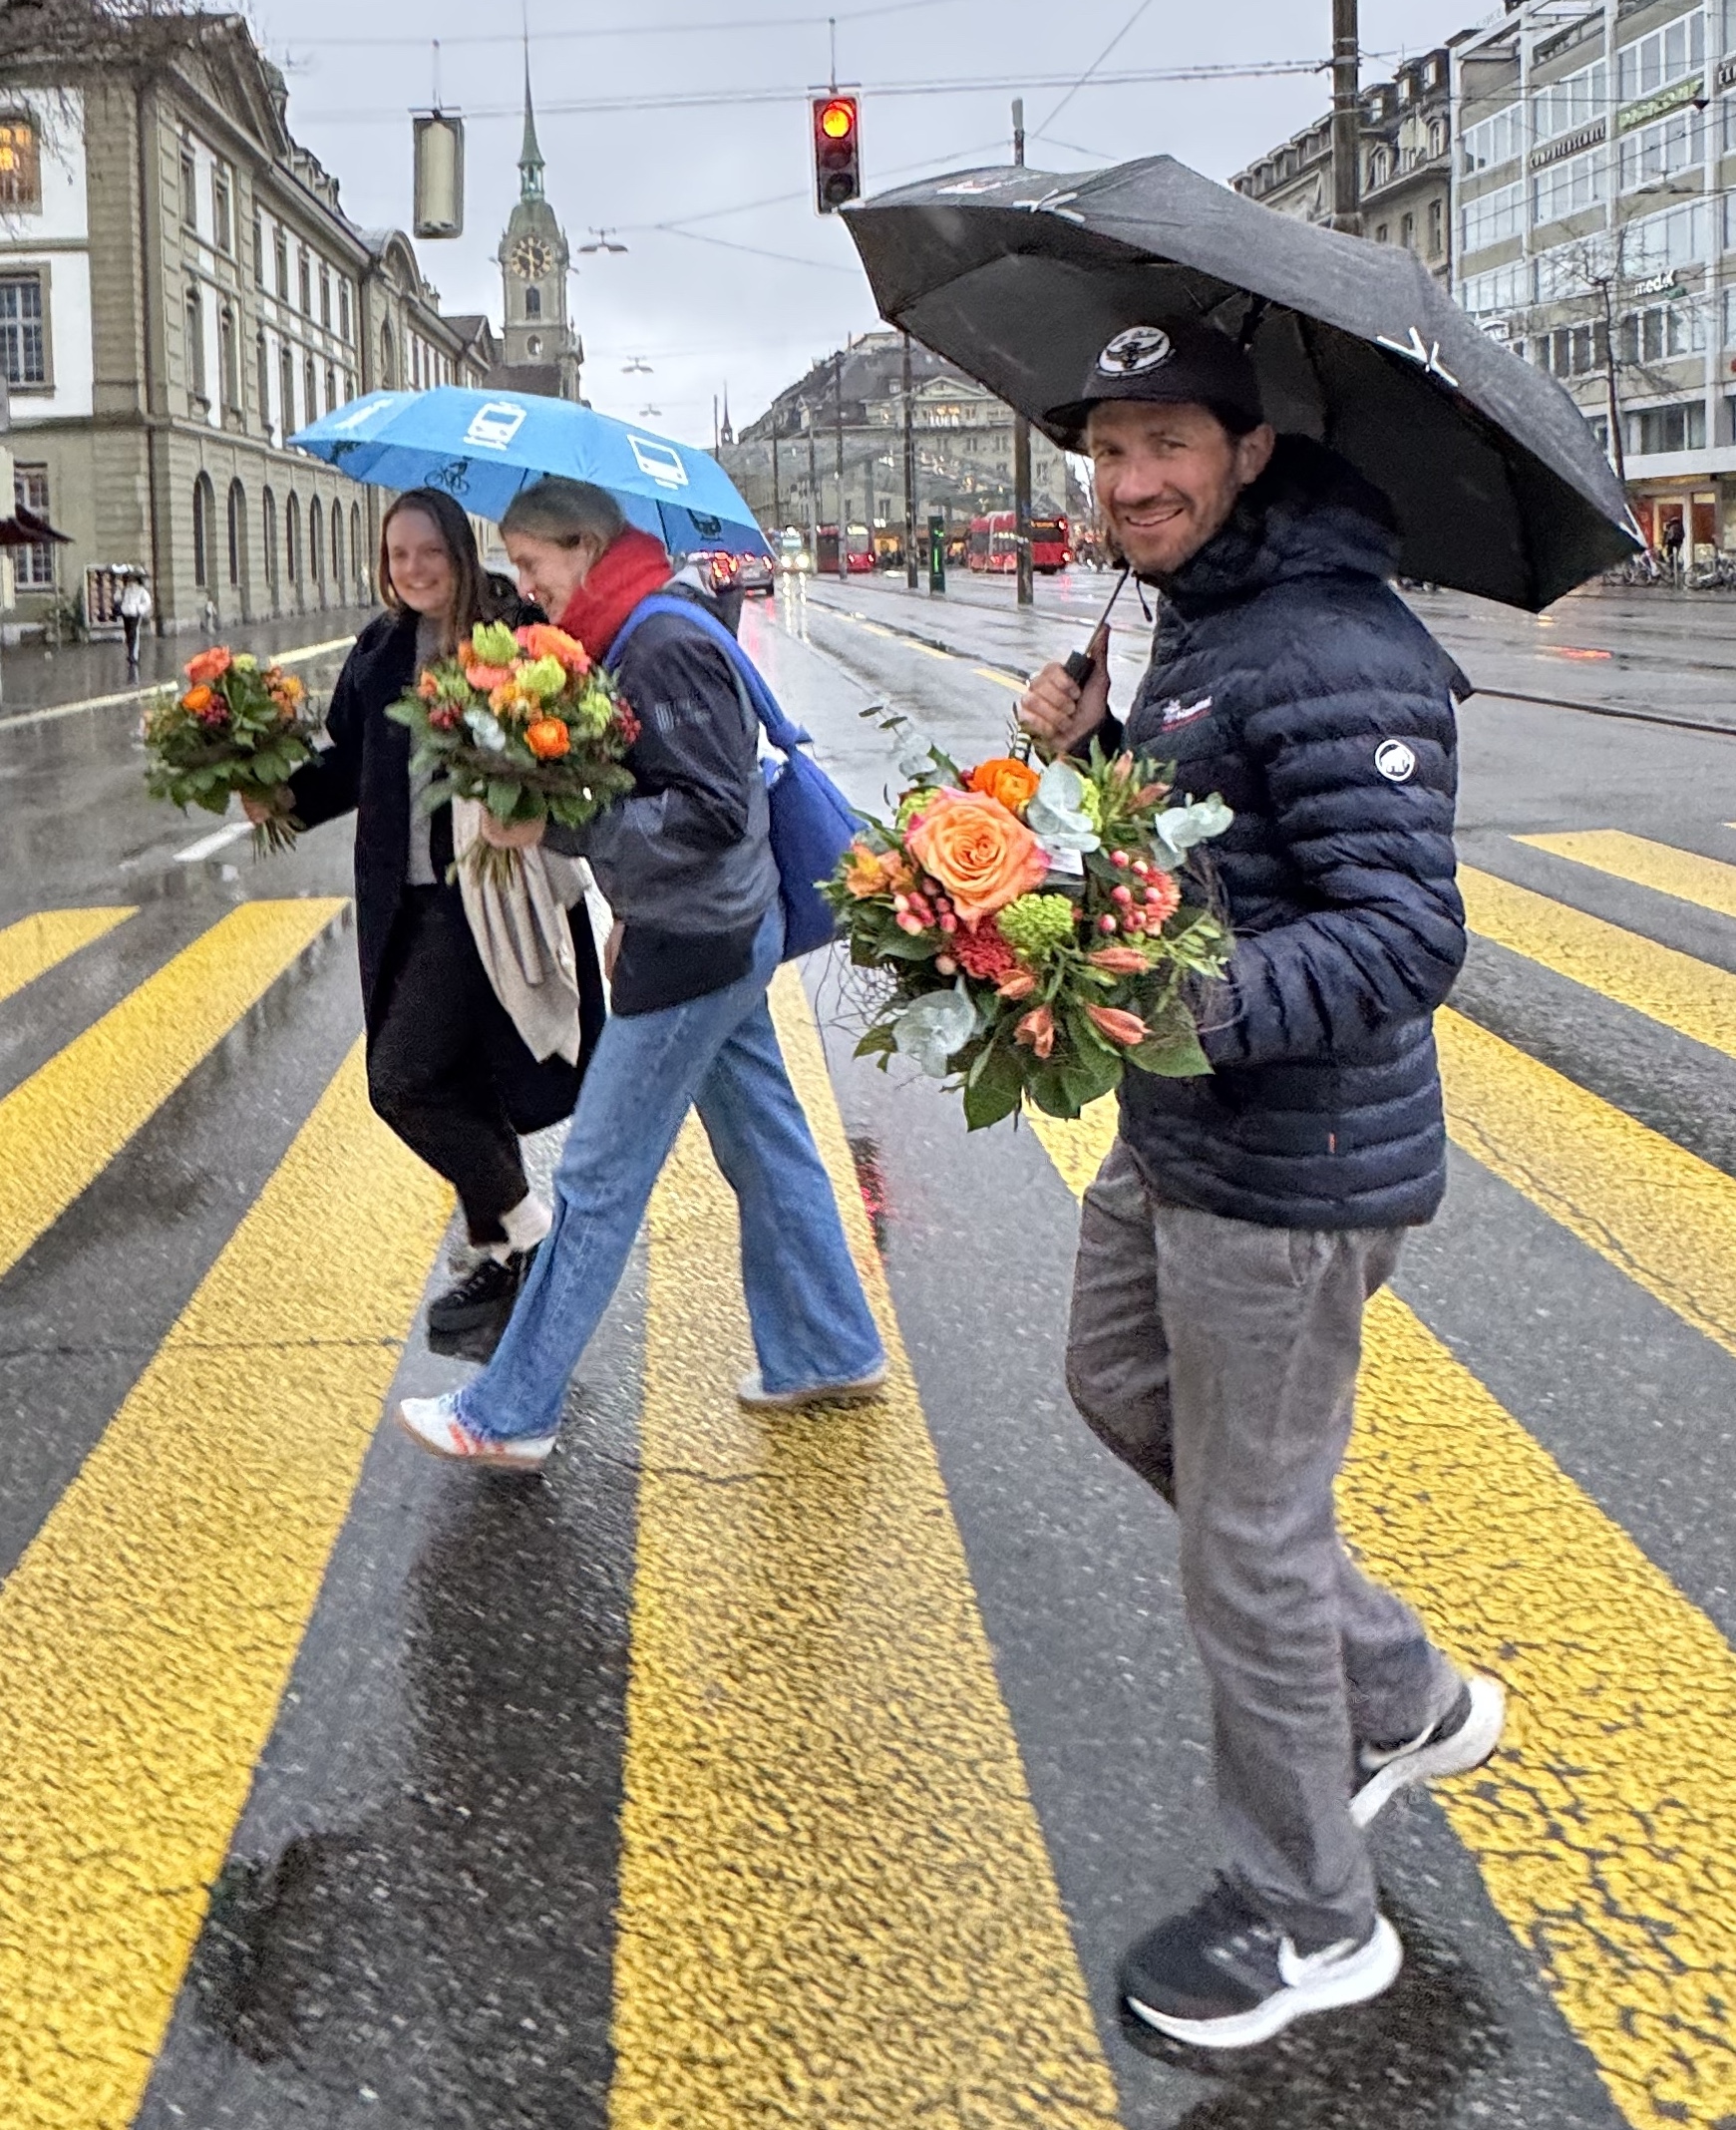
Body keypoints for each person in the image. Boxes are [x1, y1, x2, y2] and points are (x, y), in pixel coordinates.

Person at [1018, 319, 1505, 2049]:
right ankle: (1402, 1693)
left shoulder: (1330, 644)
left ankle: (1313, 1920)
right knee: (1114, 1384)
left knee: (1247, 1538)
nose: (1130, 480)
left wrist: (1182, 1012)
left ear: (1247, 453)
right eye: (1107, 448)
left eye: (1165, 444)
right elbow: (1201, 866)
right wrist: (1084, 761)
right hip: (1191, 1137)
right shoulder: (1206, 627)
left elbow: (1400, 931)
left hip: (1291, 1169)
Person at [395, 476, 885, 1469]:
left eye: (532, 567)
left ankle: (509, 1412)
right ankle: (827, 1346)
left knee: (594, 1183)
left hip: (700, 944)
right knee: (766, 1147)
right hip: (709, 928)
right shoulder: (645, 631)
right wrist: (633, 903)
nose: (525, 591)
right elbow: (699, 809)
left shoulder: (662, 642)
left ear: (584, 547)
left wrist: (555, 822)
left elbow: (706, 811)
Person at [248, 488, 605, 1345]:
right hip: (401, 899)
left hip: (482, 893)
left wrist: (530, 797)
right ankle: (499, 1251)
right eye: (398, 554)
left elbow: (577, 750)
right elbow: (354, 766)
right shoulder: (379, 647)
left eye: (428, 552)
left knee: (400, 1078)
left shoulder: (517, 636)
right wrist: (282, 795)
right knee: (455, 1077)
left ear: (456, 547)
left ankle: (525, 1225)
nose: (413, 569)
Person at [117, 569, 152, 680]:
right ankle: (131, 652)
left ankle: (133, 655)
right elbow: (118, 599)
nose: (130, 581)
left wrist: (139, 609)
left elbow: (147, 603)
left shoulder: (141, 591)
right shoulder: (126, 590)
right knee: (128, 634)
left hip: (135, 614)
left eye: (132, 579)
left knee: (133, 633)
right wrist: (119, 591)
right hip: (126, 613)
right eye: (129, 579)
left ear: (136, 580)